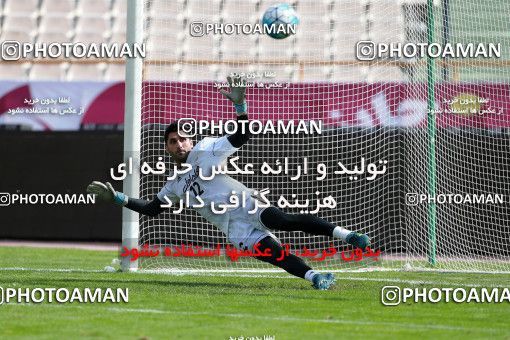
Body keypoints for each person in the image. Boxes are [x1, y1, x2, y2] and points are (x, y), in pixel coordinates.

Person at [87, 76, 370, 290]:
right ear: (167, 148)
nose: (179, 143)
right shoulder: (173, 184)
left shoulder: (206, 150)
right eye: (172, 141)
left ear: (190, 140)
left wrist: (240, 107)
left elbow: (241, 137)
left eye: (183, 138)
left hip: (246, 203)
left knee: (282, 220)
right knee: (275, 255)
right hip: (234, 228)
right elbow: (151, 209)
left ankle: (349, 236)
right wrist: (118, 199)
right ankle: (316, 277)